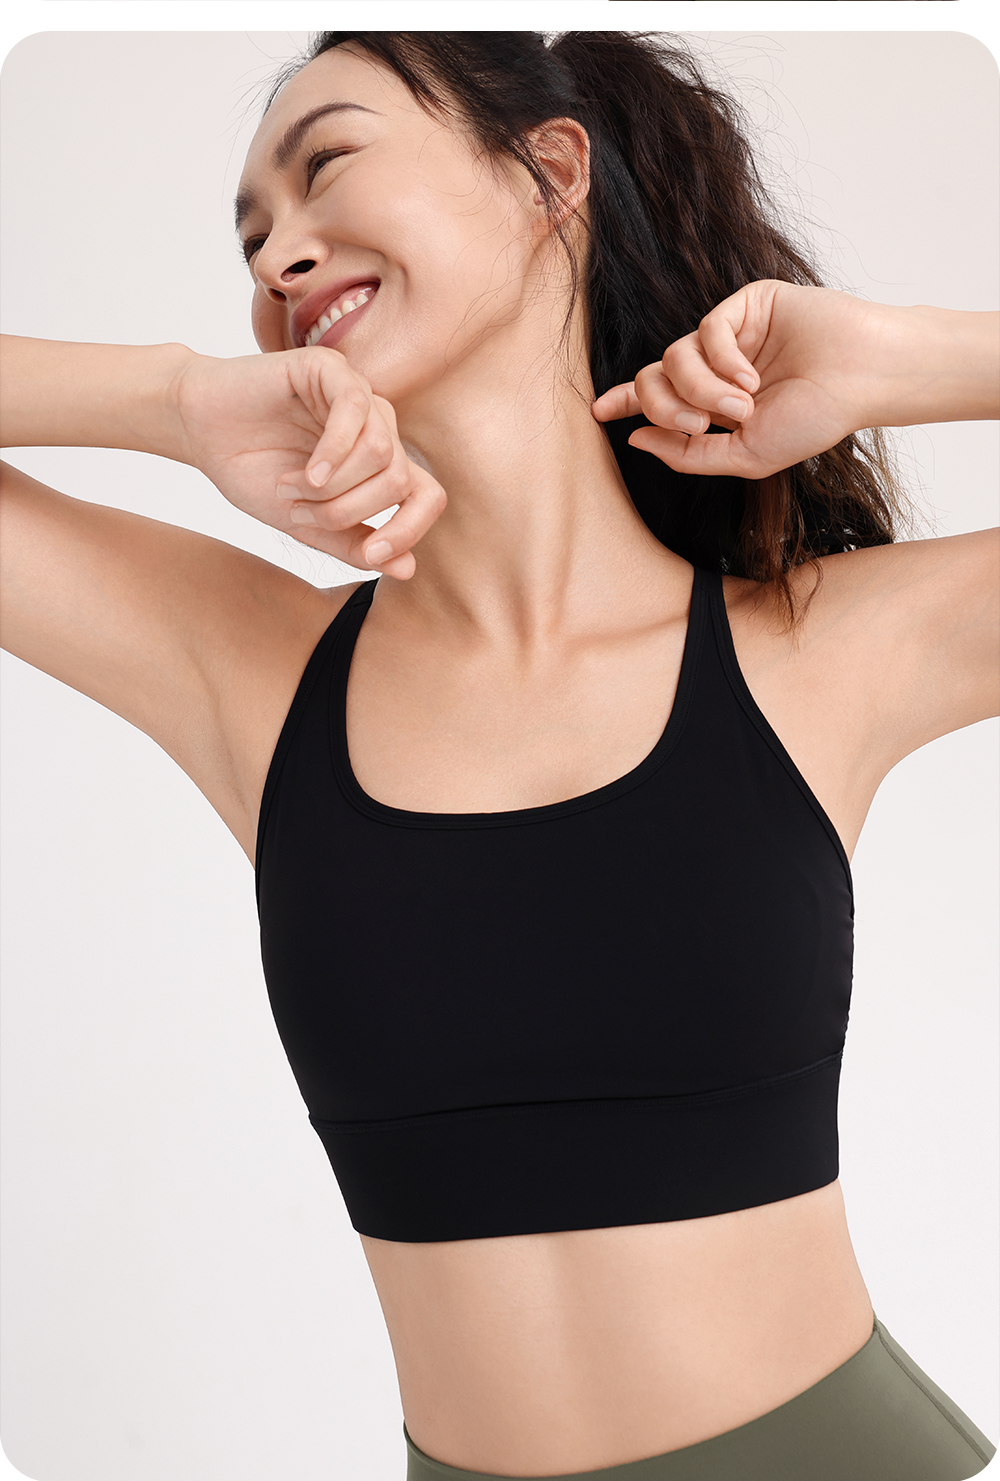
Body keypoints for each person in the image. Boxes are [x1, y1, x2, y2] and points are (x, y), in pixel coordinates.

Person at [1, 29, 996, 1481]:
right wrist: (174, 400)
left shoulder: (813, 649)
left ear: (549, 175)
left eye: (328, 163)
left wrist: (910, 356)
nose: (279, 254)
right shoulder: (260, 675)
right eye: (251, 233)